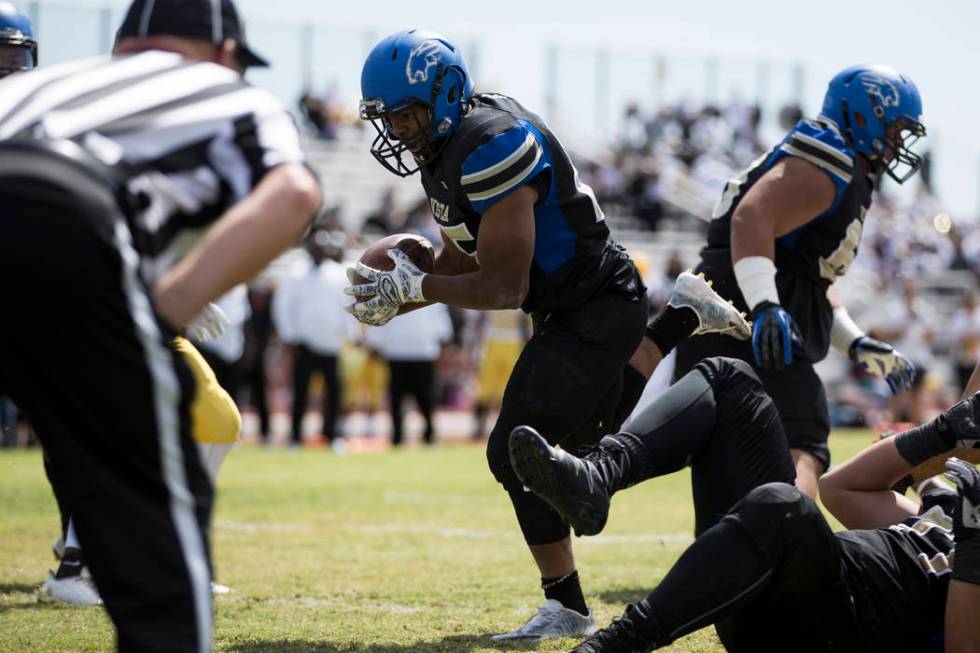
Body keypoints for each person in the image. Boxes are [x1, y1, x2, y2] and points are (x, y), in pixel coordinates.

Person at [348, 29, 748, 641]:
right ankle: (680, 318)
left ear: (446, 96)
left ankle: (566, 606)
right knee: (580, 452)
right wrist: (400, 295)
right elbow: (463, 261)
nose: (399, 131)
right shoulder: (450, 150)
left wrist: (416, 289)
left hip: (595, 297)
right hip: (572, 303)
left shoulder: (489, 144)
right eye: (390, 119)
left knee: (518, 450)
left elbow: (504, 285)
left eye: (408, 115)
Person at [0, 0, 321, 650]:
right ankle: (87, 565)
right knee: (158, 535)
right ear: (226, 52)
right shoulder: (223, 91)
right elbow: (294, 194)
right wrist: (158, 309)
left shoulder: (41, 85)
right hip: (65, 214)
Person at [507, 355, 980, 652]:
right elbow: (841, 491)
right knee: (728, 378)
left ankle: (621, 642)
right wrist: (944, 432)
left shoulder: (969, 525)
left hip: (829, 630)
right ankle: (600, 473)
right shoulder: (939, 513)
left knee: (784, 505)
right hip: (772, 580)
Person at [657, 65, 926, 498]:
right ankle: (779, 534)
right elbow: (752, 217)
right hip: (744, 300)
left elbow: (811, 280)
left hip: (746, 293)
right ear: (864, 114)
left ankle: (726, 550)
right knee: (803, 436)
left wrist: (855, 342)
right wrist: (765, 304)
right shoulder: (832, 154)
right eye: (895, 129)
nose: (898, 143)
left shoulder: (846, 166)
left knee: (724, 449)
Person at [273, 228, 356, 450]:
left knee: (333, 392)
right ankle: (295, 436)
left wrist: (351, 333)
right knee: (300, 392)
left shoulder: (338, 274)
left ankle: (331, 434)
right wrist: (289, 335)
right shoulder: (295, 273)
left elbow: (346, 305)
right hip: (305, 344)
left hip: (331, 344)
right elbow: (283, 306)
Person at [364, 303, 453, 446]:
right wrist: (376, 341)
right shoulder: (393, 282)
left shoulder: (429, 280)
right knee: (397, 398)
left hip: (423, 350)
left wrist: (442, 336)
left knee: (425, 397)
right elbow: (383, 309)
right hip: (397, 350)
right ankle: (397, 435)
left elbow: (439, 312)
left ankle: (429, 433)